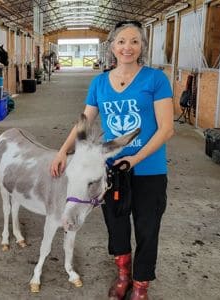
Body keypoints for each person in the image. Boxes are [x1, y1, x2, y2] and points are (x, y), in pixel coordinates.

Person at [51, 20, 174, 300]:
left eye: (134, 41)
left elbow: (167, 128)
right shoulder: (99, 83)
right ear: (112, 46)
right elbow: (85, 122)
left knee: (147, 227)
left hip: (149, 171)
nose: (127, 47)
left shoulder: (155, 80)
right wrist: (63, 151)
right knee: (116, 223)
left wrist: (134, 158)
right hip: (110, 172)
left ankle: (141, 284)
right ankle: (122, 275)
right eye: (121, 41)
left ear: (142, 45)